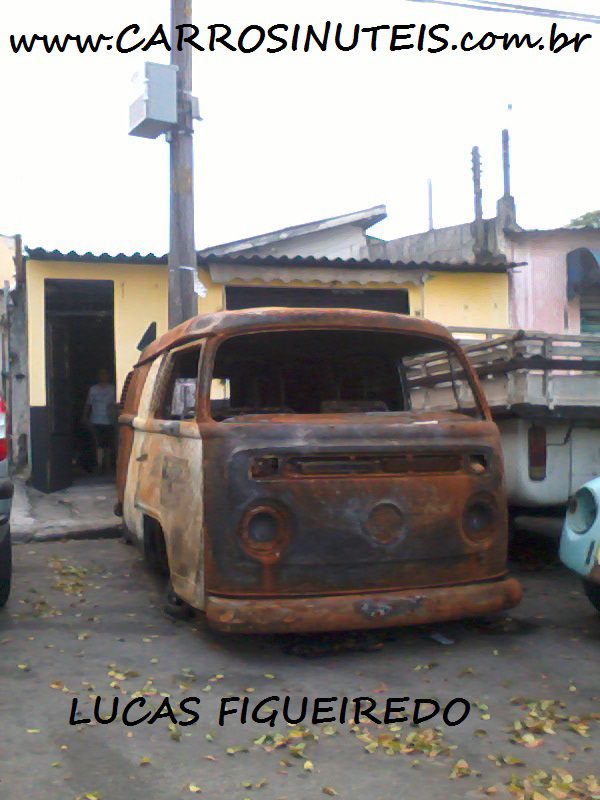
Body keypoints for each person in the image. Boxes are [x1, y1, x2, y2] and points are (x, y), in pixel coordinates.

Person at [84, 368, 116, 473]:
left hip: (109, 420)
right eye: (101, 374)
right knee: (98, 444)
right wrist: (85, 416)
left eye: (105, 374)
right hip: (96, 419)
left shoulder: (113, 389)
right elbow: (88, 404)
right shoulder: (93, 389)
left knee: (108, 445)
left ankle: (107, 466)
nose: (103, 376)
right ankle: (99, 466)